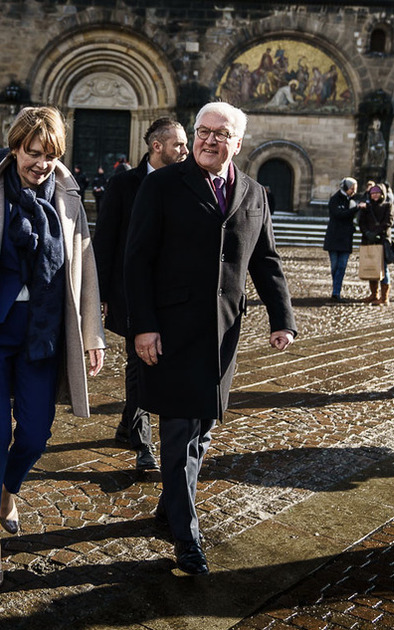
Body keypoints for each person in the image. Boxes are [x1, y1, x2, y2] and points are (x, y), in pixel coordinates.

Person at [125, 101, 296, 575]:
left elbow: (265, 259)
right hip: (172, 331)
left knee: (202, 429)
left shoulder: (255, 193)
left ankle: (168, 507)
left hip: (223, 332)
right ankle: (186, 535)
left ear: (237, 143)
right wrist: (143, 325)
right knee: (178, 433)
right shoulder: (161, 185)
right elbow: (136, 259)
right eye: (203, 131)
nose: (208, 140)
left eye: (221, 134)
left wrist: (281, 318)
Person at [0, 106, 105, 588]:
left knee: (37, 434)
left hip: (43, 332)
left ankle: (7, 490)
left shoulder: (69, 201)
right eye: (32, 152)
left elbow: (85, 271)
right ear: (15, 146)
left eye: (49, 155)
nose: (39, 163)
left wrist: (91, 335)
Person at [94, 117, 188, 470]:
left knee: (154, 362)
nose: (185, 149)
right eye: (178, 144)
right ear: (156, 146)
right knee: (141, 362)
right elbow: (105, 241)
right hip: (130, 291)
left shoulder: (187, 182)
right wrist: (101, 294)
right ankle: (143, 443)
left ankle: (125, 425)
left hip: (171, 295)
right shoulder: (122, 185)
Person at [323, 177, 360, 302]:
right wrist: (355, 209)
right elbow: (339, 215)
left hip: (346, 238)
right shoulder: (335, 199)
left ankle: (336, 292)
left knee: (342, 266)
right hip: (334, 238)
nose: (353, 191)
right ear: (345, 188)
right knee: (334, 267)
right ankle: (336, 289)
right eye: (352, 189)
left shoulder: (353, 200)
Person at [358, 184, 394, 305]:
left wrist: (376, 232)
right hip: (369, 240)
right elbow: (361, 222)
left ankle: (384, 297)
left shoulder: (388, 205)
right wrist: (367, 233)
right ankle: (374, 294)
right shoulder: (367, 207)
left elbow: (388, 221)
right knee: (371, 267)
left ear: (382, 194)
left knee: (383, 268)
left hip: (382, 240)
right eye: (372, 193)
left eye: (377, 193)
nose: (374, 195)